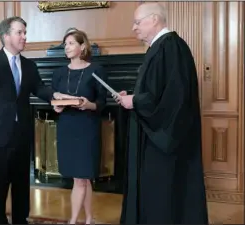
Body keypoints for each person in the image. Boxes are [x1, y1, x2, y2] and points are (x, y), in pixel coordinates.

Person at [0, 17, 77, 224]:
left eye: (25, 32)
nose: (24, 36)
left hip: (22, 131)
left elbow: (39, 88)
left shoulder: (29, 65)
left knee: (21, 181)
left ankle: (20, 219)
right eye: (20, 32)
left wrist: (55, 97)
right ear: (6, 36)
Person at [116, 3, 209, 224]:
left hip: (165, 144)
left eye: (138, 22)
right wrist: (131, 96)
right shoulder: (159, 48)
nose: (133, 28)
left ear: (155, 19)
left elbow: (173, 99)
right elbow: (155, 91)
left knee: (163, 197)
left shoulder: (171, 47)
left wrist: (135, 101)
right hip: (154, 139)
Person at [52, 30, 107, 224]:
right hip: (67, 128)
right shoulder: (58, 73)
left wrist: (87, 104)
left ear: (82, 46)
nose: (66, 47)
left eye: (71, 43)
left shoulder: (96, 70)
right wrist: (57, 107)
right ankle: (89, 218)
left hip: (87, 128)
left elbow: (102, 102)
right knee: (82, 178)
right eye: (65, 44)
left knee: (82, 178)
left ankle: (73, 221)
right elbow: (54, 102)